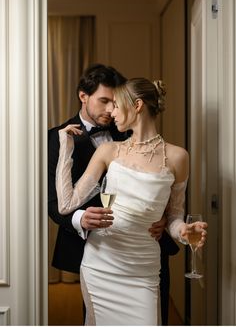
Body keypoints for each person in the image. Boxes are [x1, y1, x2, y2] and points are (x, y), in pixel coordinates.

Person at [55, 77, 207, 325]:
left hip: (143, 269)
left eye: (115, 105)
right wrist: (66, 146)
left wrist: (183, 231)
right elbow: (66, 204)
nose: (111, 111)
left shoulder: (178, 157)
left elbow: (174, 216)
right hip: (100, 265)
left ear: (137, 105)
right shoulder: (109, 152)